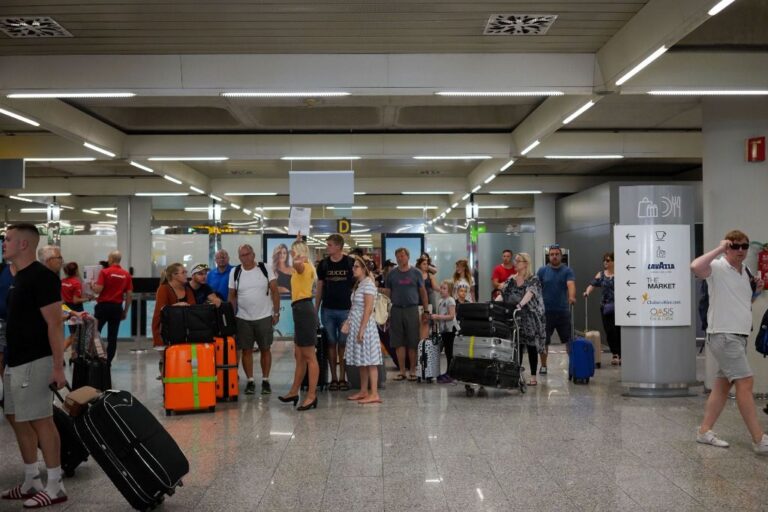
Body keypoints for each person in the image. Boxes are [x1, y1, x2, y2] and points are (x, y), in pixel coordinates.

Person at [1, 223, 68, 507]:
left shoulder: (42, 277)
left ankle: (55, 486)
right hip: (15, 362)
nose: (4, 244)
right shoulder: (19, 277)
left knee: (42, 421)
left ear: (24, 245)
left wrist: (57, 366)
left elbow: (54, 323)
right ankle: (32, 479)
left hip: (36, 361)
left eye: (8, 239)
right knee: (16, 418)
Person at [691, 230, 768, 454]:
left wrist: (757, 292)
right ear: (727, 247)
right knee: (745, 382)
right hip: (724, 335)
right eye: (735, 246)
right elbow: (695, 266)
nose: (741, 250)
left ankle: (705, 431)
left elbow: (744, 301)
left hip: (738, 335)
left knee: (723, 386)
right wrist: (719, 248)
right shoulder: (717, 266)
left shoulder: (745, 270)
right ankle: (759, 439)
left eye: (744, 246)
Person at [228, 244, 280, 395]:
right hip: (243, 318)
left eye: (248, 254)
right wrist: (231, 317)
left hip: (264, 316)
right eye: (242, 255)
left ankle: (265, 380)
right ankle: (250, 381)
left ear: (253, 254)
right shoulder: (235, 272)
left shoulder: (265, 268)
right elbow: (231, 296)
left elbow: (275, 291)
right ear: (239, 257)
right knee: (246, 350)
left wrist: (276, 313)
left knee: (265, 349)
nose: (246, 257)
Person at [279, 236, 320, 411]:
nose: (291, 253)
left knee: (310, 356)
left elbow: (297, 265)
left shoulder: (304, 266)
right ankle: (294, 391)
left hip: (304, 311)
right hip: (299, 310)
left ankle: (311, 396)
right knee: (299, 356)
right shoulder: (300, 268)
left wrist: (296, 256)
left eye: (294, 251)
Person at [382, 248, 429, 381]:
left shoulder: (416, 273)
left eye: (402, 256)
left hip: (412, 309)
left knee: (412, 341)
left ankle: (413, 370)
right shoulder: (391, 274)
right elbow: (387, 293)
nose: (400, 259)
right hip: (396, 310)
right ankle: (402, 371)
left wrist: (426, 311)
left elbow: (423, 292)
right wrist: (385, 312)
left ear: (408, 257)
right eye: (397, 256)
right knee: (398, 342)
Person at [315, 234, 355, 391]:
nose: (327, 247)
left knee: (343, 344)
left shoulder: (350, 263)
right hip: (328, 310)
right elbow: (319, 288)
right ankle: (333, 378)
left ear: (339, 246)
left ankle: (343, 378)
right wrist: (315, 309)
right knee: (331, 343)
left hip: (346, 310)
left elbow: (356, 286)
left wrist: (355, 309)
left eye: (330, 245)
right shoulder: (323, 265)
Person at [343, 256, 383, 404]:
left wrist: (362, 329)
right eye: (353, 267)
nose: (353, 269)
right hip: (357, 324)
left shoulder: (369, 285)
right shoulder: (359, 284)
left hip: (365, 326)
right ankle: (364, 390)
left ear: (364, 269)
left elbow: (368, 308)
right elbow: (355, 307)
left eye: (356, 267)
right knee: (362, 360)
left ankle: (374, 393)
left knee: (370, 360)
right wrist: (348, 321)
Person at [501, 253, 546, 386]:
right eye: (515, 260)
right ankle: (517, 374)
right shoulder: (511, 279)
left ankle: (533, 376)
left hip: (530, 317)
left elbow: (530, 293)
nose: (515, 263)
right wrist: (491, 304)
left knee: (531, 346)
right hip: (516, 317)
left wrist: (520, 305)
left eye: (518, 261)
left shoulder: (533, 279)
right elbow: (503, 295)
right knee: (517, 345)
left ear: (526, 263)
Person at [536, 244, 575, 375]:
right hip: (545, 312)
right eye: (552, 254)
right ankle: (543, 366)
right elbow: (536, 288)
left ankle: (573, 365)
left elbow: (570, 284)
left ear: (561, 256)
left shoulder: (567, 271)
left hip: (563, 311)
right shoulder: (542, 271)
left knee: (569, 340)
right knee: (544, 340)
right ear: (549, 256)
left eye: (556, 254)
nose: (554, 256)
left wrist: (572, 297)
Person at [151, 263, 195, 378]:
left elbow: (193, 308)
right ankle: (167, 387)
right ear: (174, 275)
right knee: (168, 360)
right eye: (183, 272)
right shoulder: (164, 288)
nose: (186, 275)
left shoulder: (187, 289)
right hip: (163, 332)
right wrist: (177, 305)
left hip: (182, 332)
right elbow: (161, 310)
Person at [91, 250, 133, 364]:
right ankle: (108, 362)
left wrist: (92, 285)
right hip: (116, 308)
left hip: (103, 307)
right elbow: (129, 295)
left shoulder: (105, 272)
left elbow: (98, 290)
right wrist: (125, 311)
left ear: (110, 259)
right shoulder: (126, 274)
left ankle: (96, 358)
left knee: (95, 333)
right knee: (112, 337)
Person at [583, 252, 621, 365]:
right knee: (610, 331)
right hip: (606, 307)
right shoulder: (601, 274)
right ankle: (615, 354)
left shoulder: (620, 274)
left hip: (619, 307)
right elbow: (592, 284)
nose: (605, 262)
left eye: (608, 260)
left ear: (614, 262)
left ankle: (621, 354)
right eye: (604, 260)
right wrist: (587, 292)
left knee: (619, 330)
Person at [432, 280, 458, 384]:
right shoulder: (440, 301)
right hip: (444, 330)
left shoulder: (451, 300)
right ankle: (448, 372)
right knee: (447, 352)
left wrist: (438, 317)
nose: (441, 290)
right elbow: (441, 315)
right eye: (441, 288)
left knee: (450, 352)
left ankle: (451, 374)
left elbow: (451, 316)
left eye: (444, 288)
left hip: (451, 329)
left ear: (450, 290)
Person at [416, 256, 438, 340]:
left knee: (431, 314)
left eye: (427, 264)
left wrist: (443, 289)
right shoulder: (416, 274)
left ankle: (432, 333)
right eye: (424, 264)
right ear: (419, 265)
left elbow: (435, 286)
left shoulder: (429, 275)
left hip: (429, 297)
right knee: (419, 319)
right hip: (418, 299)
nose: (426, 266)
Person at [0, 260, 14, 377]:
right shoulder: (2, 269)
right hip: (2, 321)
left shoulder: (30, 273)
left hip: (20, 323)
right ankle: (6, 390)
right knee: (1, 357)